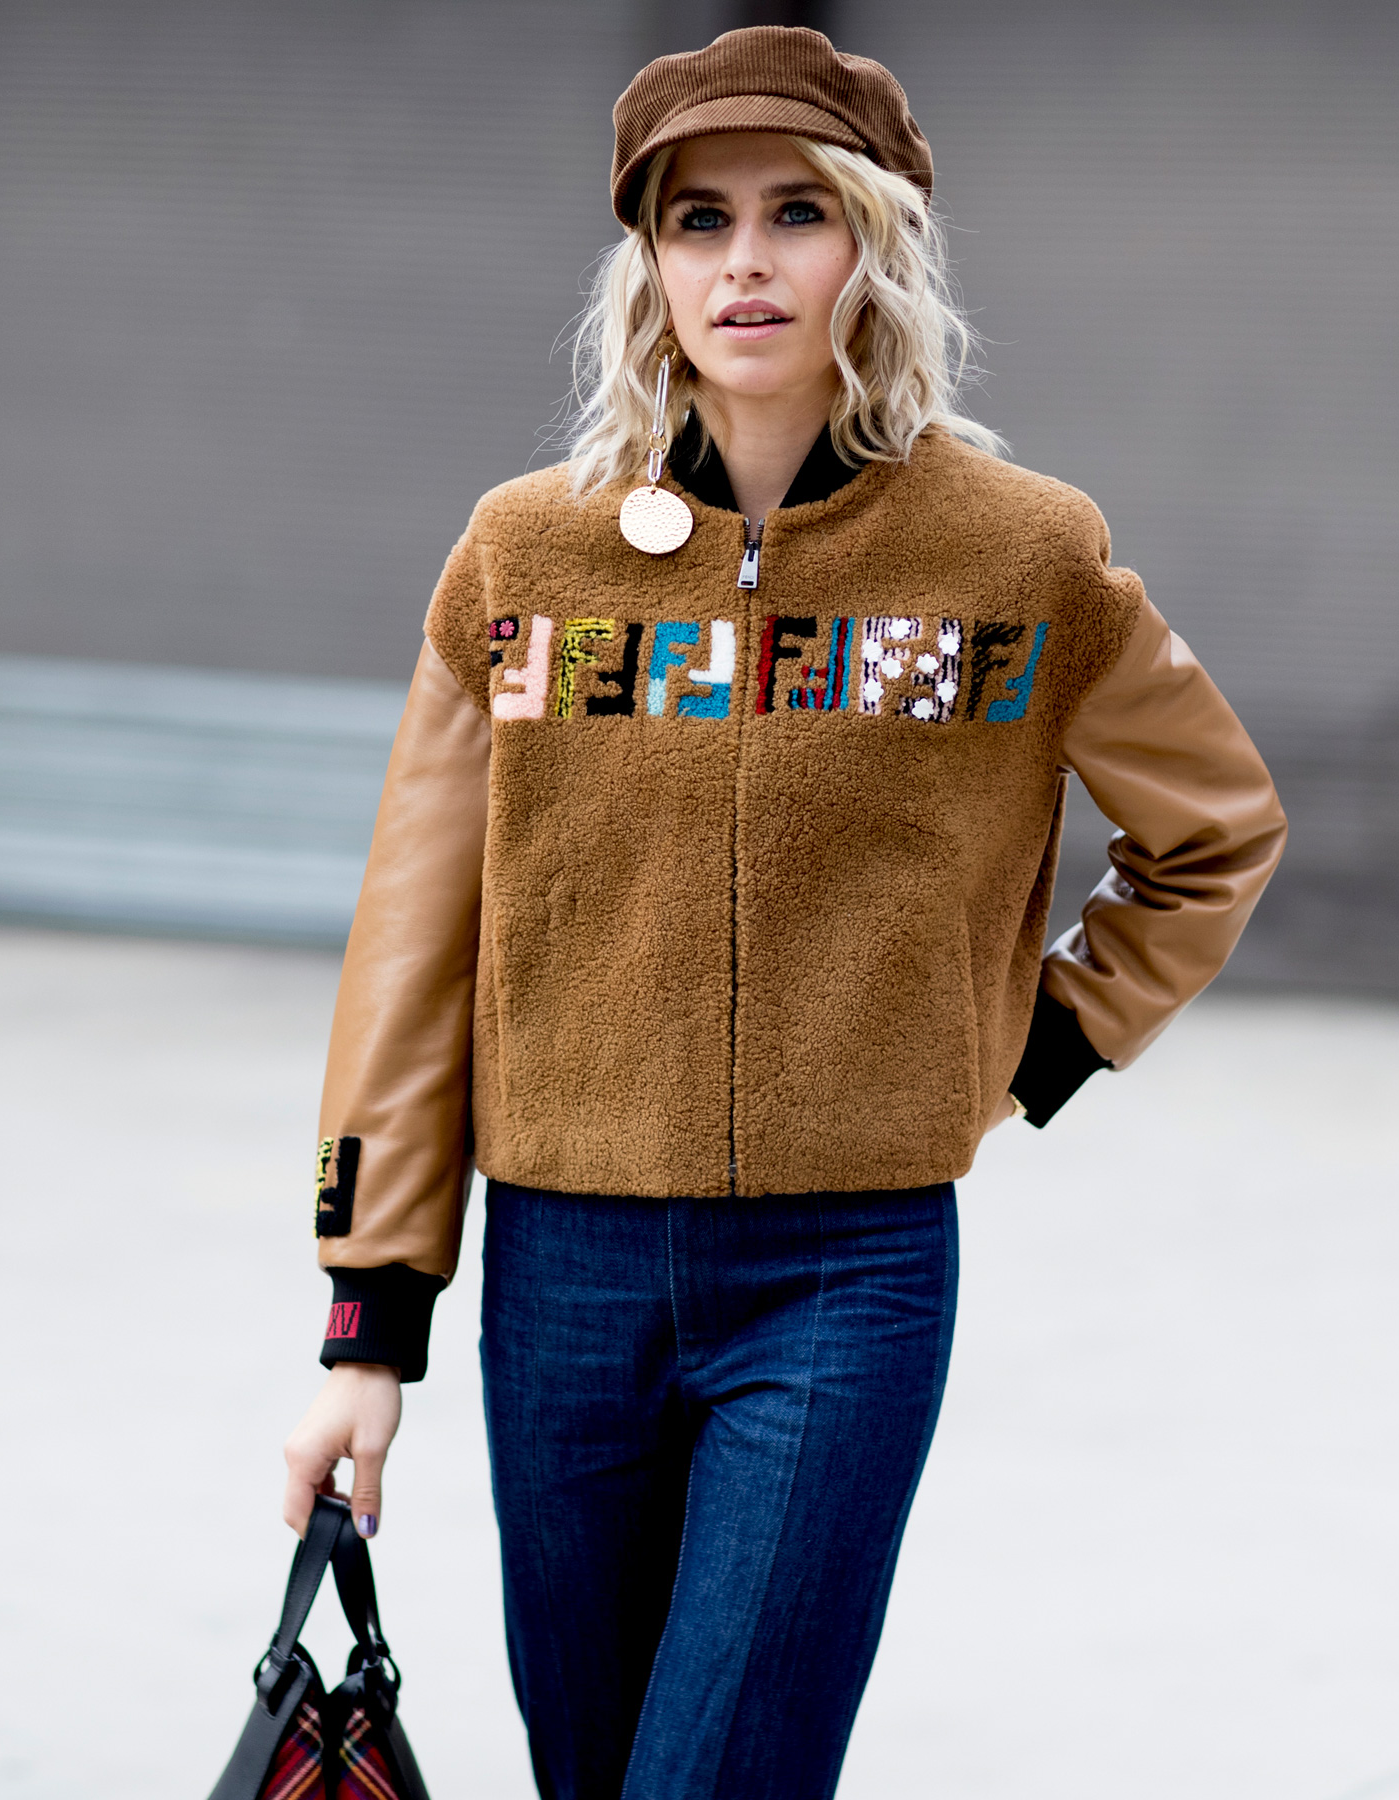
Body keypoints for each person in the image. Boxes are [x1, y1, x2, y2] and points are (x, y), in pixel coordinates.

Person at [278, 26, 1284, 1800]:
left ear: (873, 250)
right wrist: (369, 1319)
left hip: (846, 1275)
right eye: (700, 220)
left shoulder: (1019, 558)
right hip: (566, 1277)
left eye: (796, 214)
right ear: (651, 268)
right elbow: (412, 945)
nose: (744, 261)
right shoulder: (522, 559)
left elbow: (1215, 834)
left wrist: (1024, 1052)